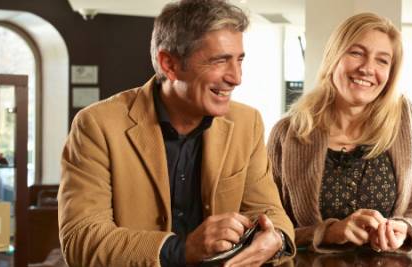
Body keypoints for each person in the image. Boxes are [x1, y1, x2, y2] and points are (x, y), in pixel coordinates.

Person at [58, 1, 294, 266]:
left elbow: (271, 213)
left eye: (239, 60)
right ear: (168, 64)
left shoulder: (247, 122)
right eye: (219, 61)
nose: (236, 77)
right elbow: (82, 241)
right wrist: (182, 250)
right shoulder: (96, 125)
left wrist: (276, 239)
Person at [267, 13, 412, 254]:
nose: (367, 68)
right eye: (356, 53)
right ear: (333, 57)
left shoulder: (404, 119)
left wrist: (405, 228)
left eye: (382, 61)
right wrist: (327, 233)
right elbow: (270, 229)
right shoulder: (287, 134)